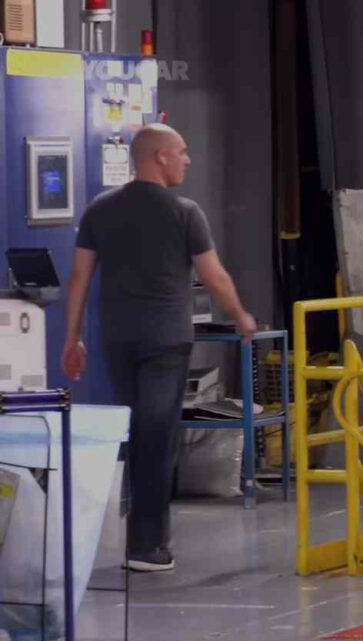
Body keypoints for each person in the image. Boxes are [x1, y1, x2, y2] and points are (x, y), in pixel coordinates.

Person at [61, 123, 257, 573]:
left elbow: (79, 277)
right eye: (182, 152)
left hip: (118, 339)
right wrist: (241, 315)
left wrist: (72, 339)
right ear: (160, 157)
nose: (188, 159)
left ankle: (139, 535)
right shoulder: (184, 212)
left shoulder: (99, 210)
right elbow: (214, 275)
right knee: (156, 436)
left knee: (137, 432)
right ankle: (147, 546)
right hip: (166, 341)